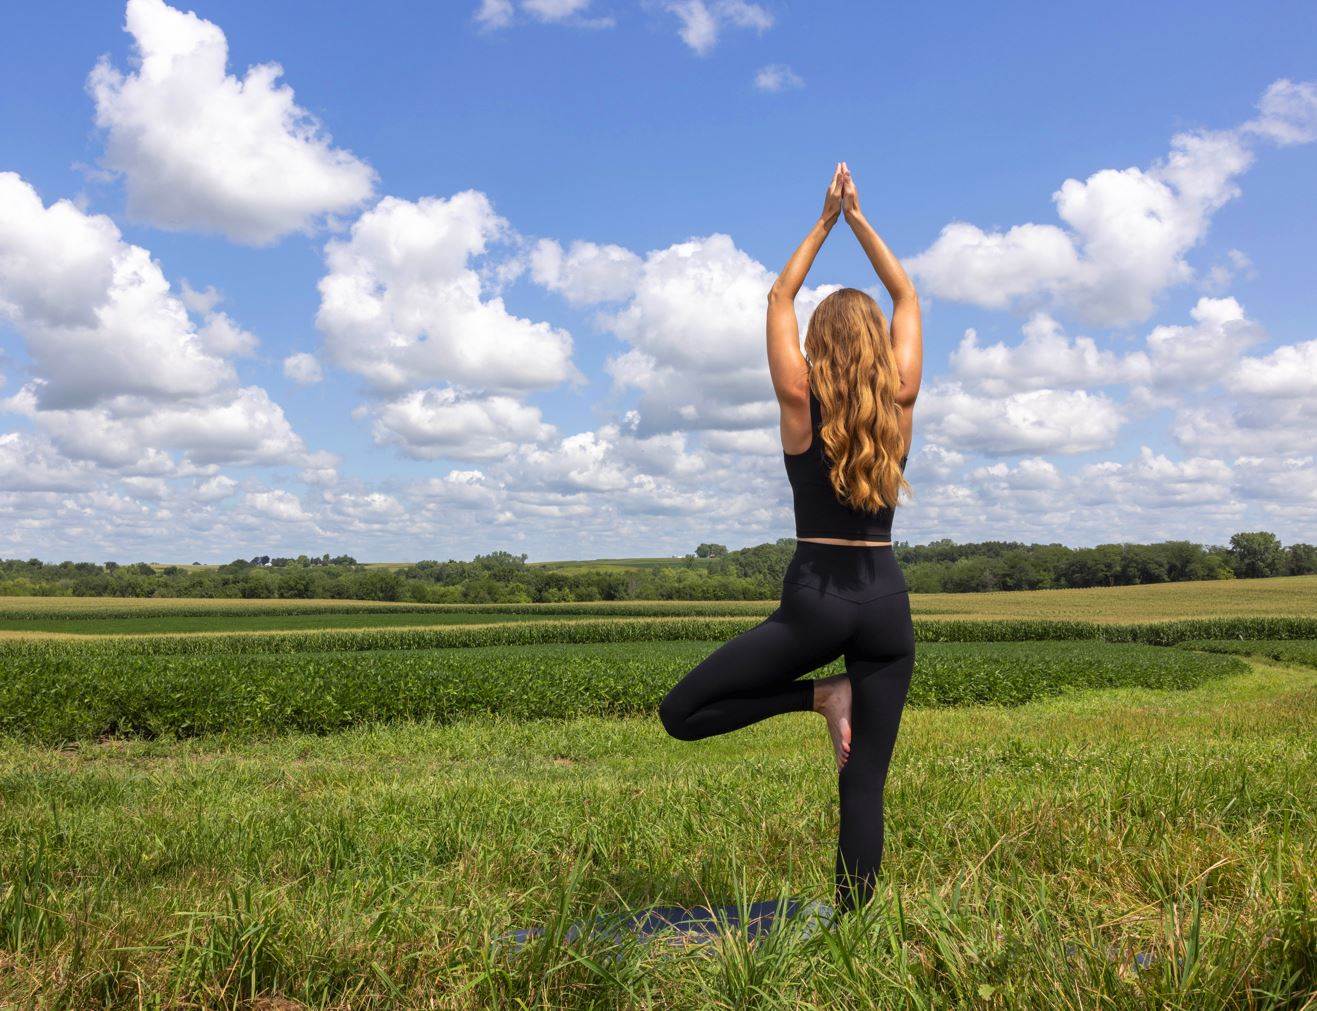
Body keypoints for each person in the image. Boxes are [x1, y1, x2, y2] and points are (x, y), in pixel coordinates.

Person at [659, 162, 923, 914]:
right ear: (875, 343)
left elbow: (777, 296)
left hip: (814, 601)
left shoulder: (799, 396)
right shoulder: (899, 398)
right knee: (862, 784)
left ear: (818, 341)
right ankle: (855, 932)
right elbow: (905, 295)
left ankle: (818, 698)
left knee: (681, 713)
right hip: (886, 604)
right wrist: (861, 219)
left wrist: (823, 221)